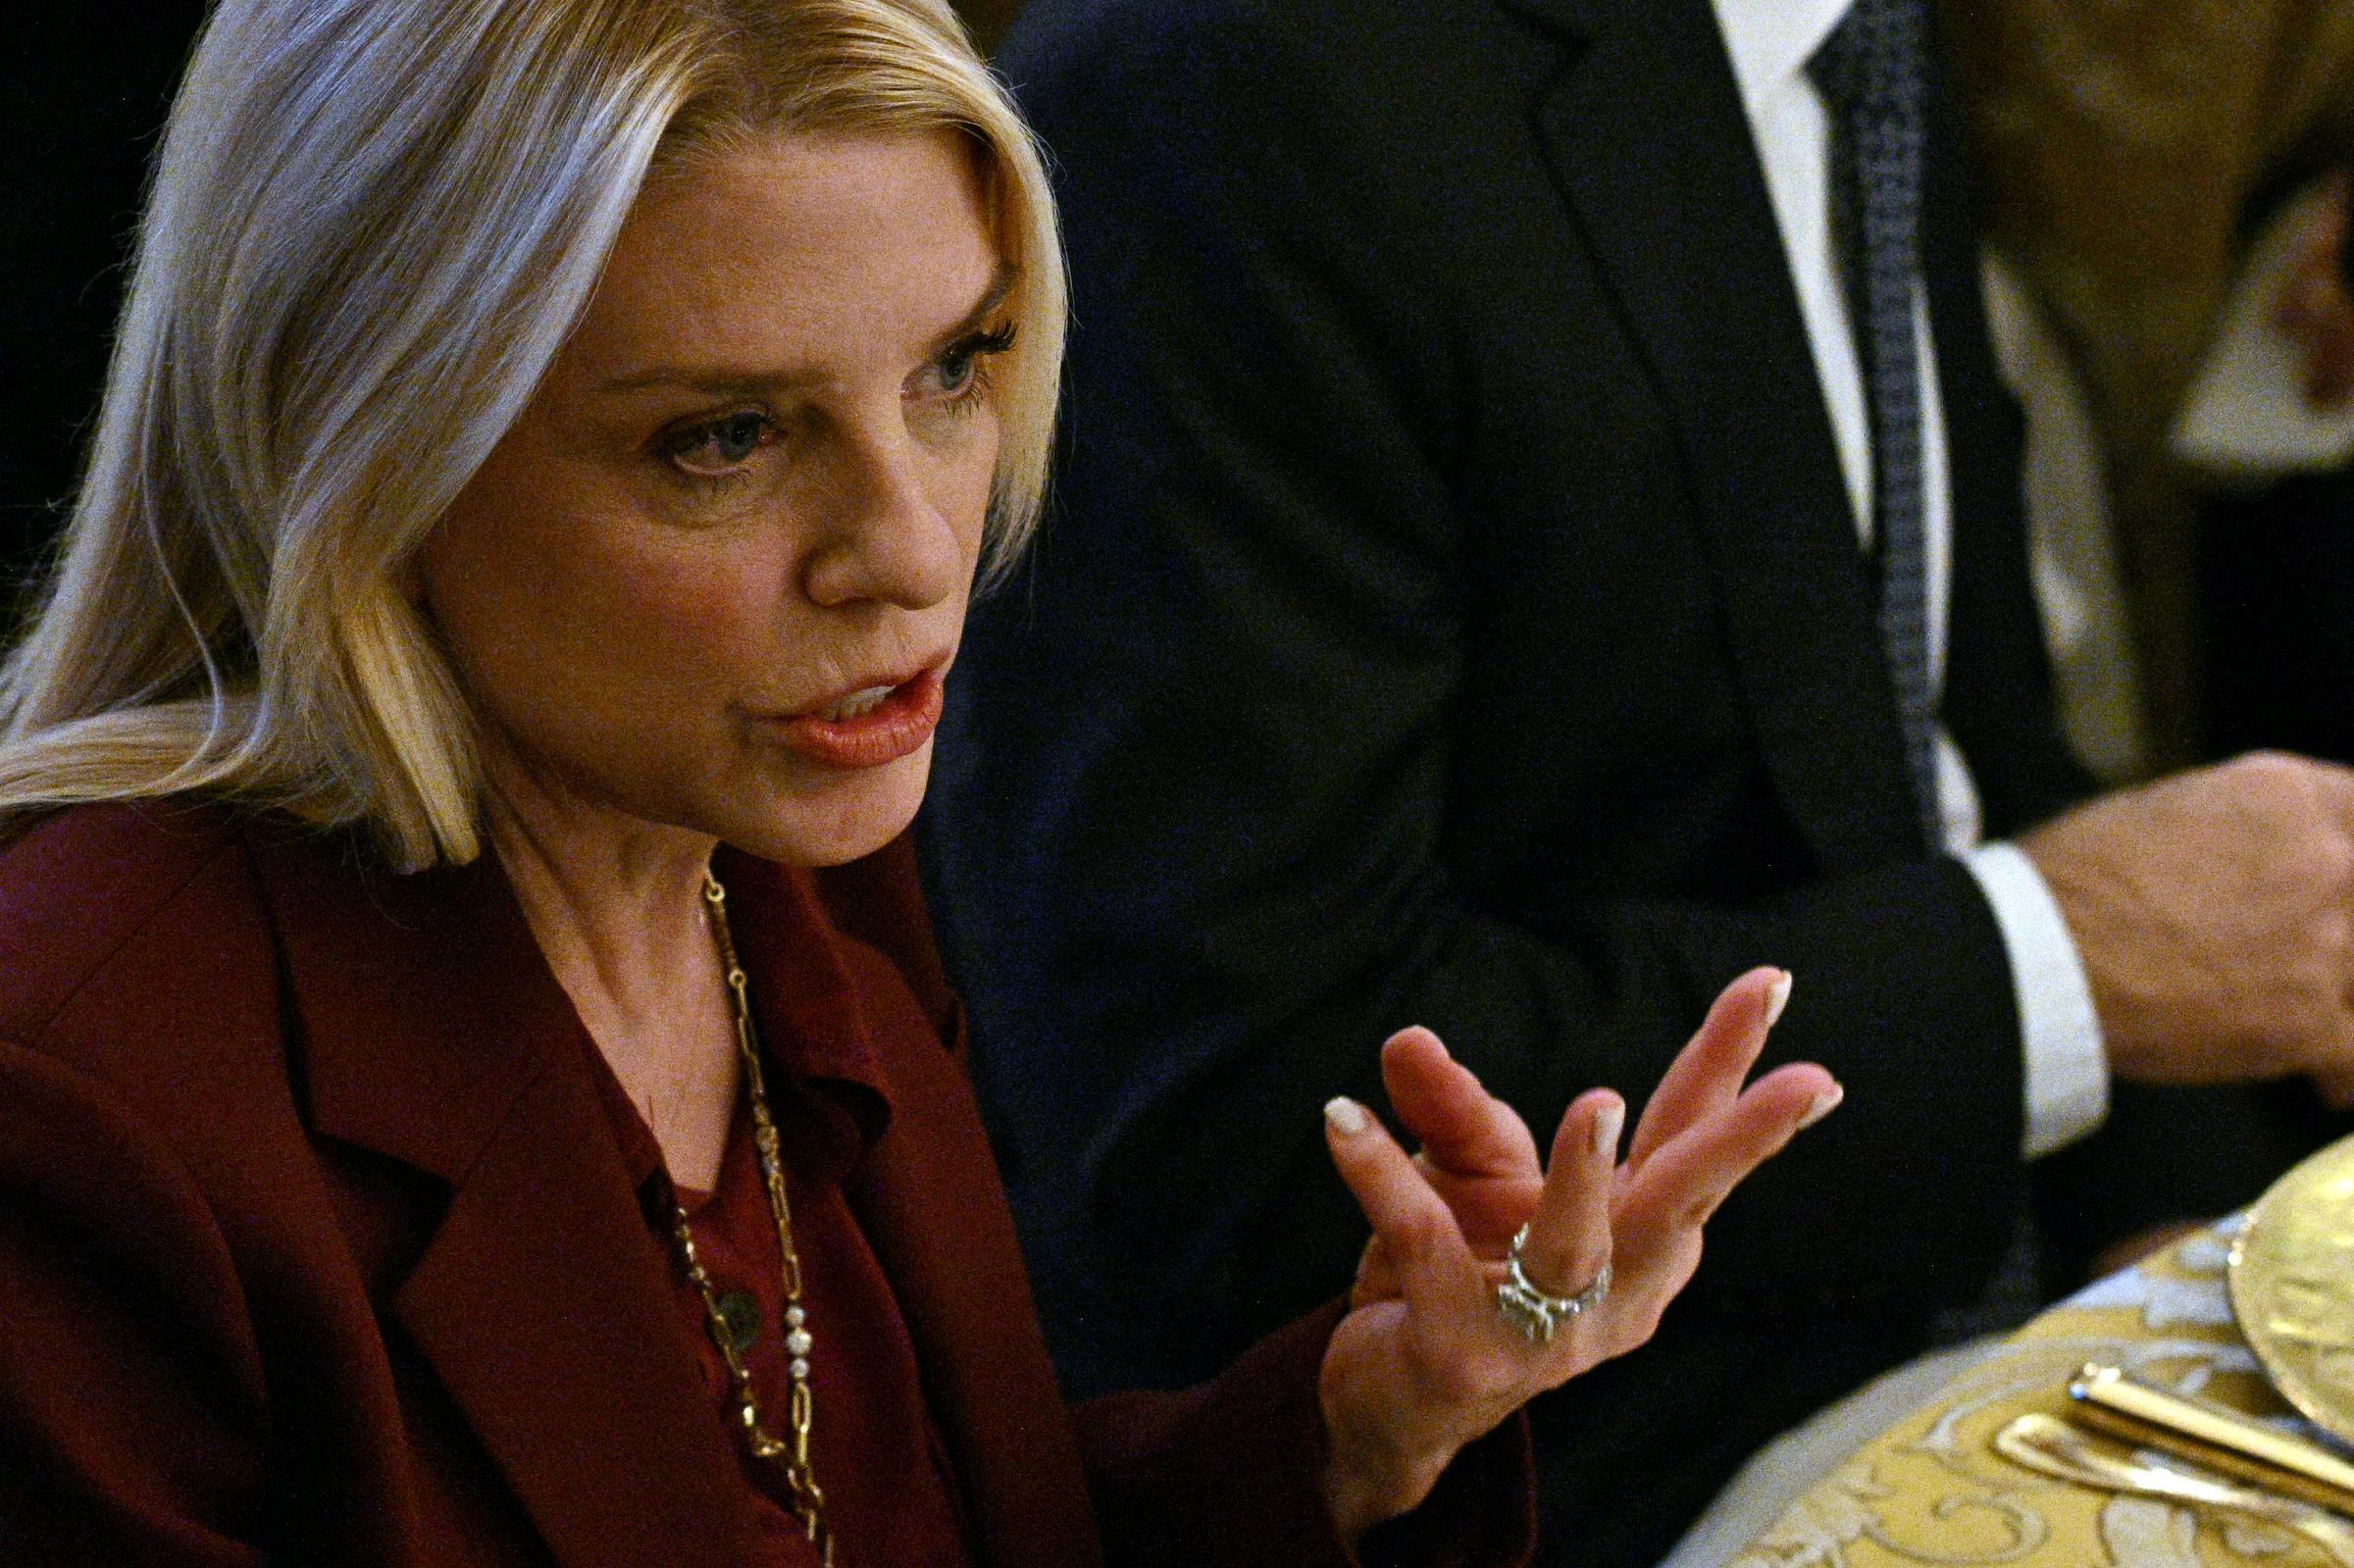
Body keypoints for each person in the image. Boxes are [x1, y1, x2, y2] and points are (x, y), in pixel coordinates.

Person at [0, 1, 1841, 1563]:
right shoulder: (78, 1112)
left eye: (958, 369)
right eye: (724, 438)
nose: (909, 548)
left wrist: (1355, 1441)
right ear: (364, 440)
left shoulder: (794, 867)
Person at [921, 0, 2354, 1561]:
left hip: (1992, 1344)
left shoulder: (1845, 34)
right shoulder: (1223, 84)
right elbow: (1228, 1118)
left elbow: (1948, 743)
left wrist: (2169, 1257)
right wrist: (2065, 973)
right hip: (1567, 1468)